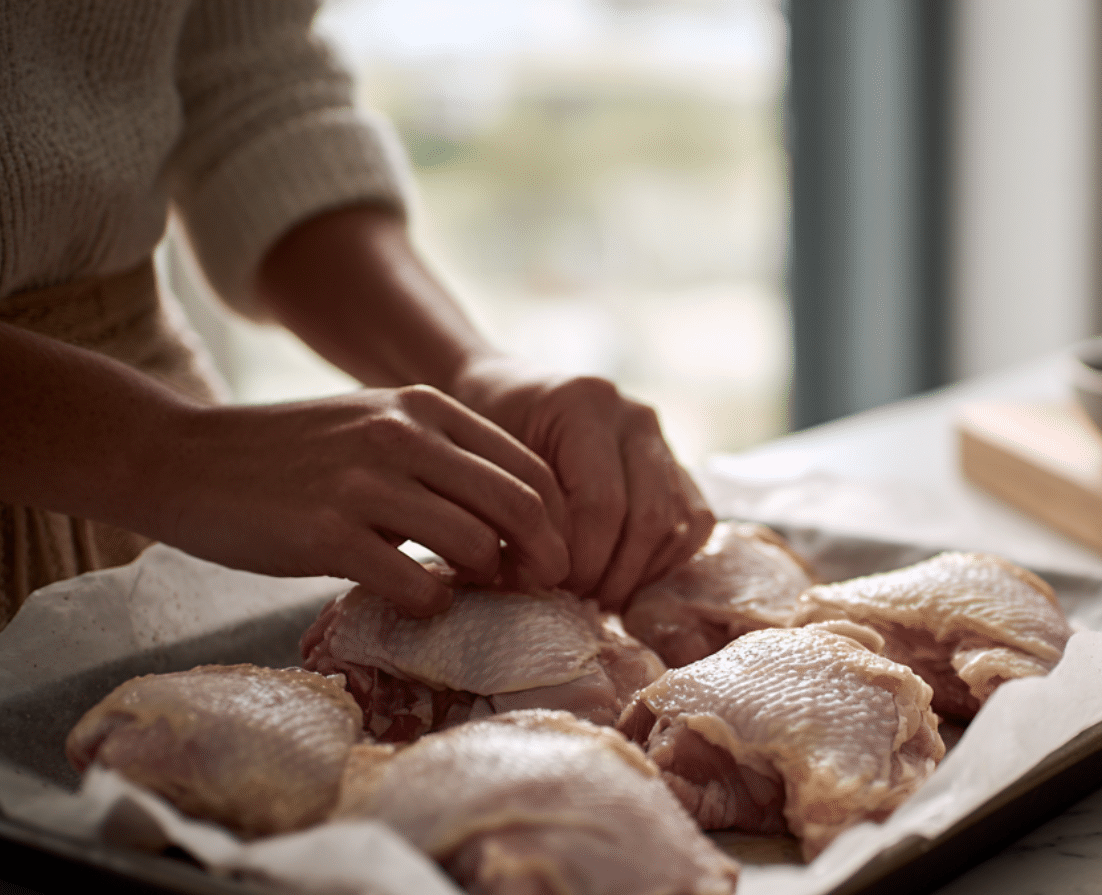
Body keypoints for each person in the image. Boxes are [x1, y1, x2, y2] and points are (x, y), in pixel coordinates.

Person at [0, 1, 713, 630]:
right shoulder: (172, 459)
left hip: (151, 449)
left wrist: (471, 371)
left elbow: (251, 96)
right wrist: (164, 454)